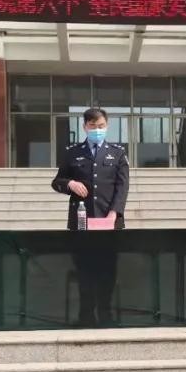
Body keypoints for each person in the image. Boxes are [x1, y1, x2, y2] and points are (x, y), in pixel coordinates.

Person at [51, 107, 129, 326]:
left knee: (108, 270)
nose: (97, 130)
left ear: (107, 126)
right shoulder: (73, 152)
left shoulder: (118, 153)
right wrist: (70, 183)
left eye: (101, 126)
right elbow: (57, 181)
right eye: (93, 126)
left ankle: (106, 314)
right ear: (85, 127)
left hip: (109, 222)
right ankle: (85, 315)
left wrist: (114, 214)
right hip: (81, 222)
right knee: (84, 270)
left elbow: (122, 187)